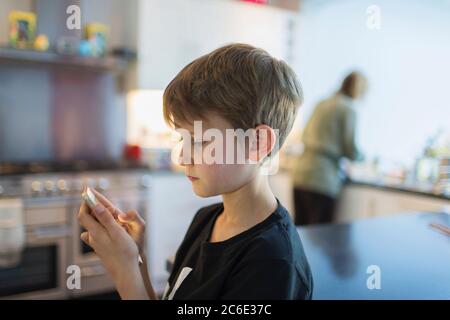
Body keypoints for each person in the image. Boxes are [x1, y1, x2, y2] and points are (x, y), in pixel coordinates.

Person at [77, 44, 313, 300]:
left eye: (200, 141)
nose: (182, 157)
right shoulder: (207, 219)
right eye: (183, 139)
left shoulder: (271, 263)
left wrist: (124, 270)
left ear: (258, 143)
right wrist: (136, 259)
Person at [292, 71, 367, 225]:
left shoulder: (322, 103)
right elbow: (350, 149)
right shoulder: (348, 109)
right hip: (322, 180)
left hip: (300, 174)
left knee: (300, 233)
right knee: (320, 239)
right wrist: (363, 157)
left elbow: (305, 133)